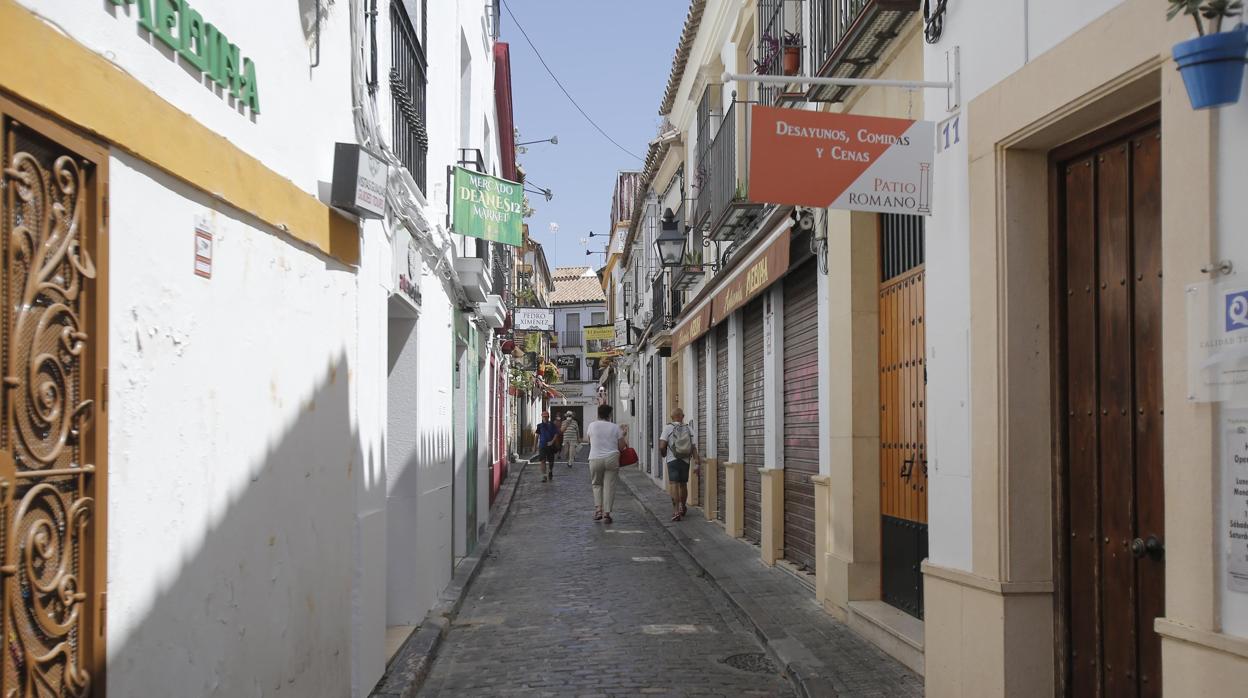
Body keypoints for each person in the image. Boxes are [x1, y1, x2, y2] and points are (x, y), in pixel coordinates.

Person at [586, 404, 628, 524]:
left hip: (595, 458)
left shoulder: (592, 425)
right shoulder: (615, 428)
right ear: (609, 415)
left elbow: (589, 441)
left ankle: (598, 510)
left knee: (597, 484)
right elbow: (621, 446)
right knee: (609, 486)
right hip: (611, 458)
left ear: (598, 414)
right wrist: (623, 435)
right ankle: (607, 514)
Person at [659, 407, 701, 521]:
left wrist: (663, 455)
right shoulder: (689, 428)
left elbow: (662, 445)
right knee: (683, 484)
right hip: (685, 460)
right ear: (682, 417)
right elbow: (693, 447)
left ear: (672, 417)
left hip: (672, 460)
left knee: (674, 485)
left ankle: (676, 511)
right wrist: (697, 462)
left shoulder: (668, 428)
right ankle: (683, 507)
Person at [534, 411, 560, 483]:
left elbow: (556, 434)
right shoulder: (539, 426)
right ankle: (544, 476)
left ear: (548, 417)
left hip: (550, 446)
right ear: (542, 417)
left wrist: (552, 442)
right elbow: (537, 436)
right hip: (542, 445)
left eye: (546, 416)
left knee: (551, 461)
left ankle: (550, 471)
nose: (545, 418)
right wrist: (534, 446)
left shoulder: (552, 425)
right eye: (543, 417)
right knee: (542, 461)